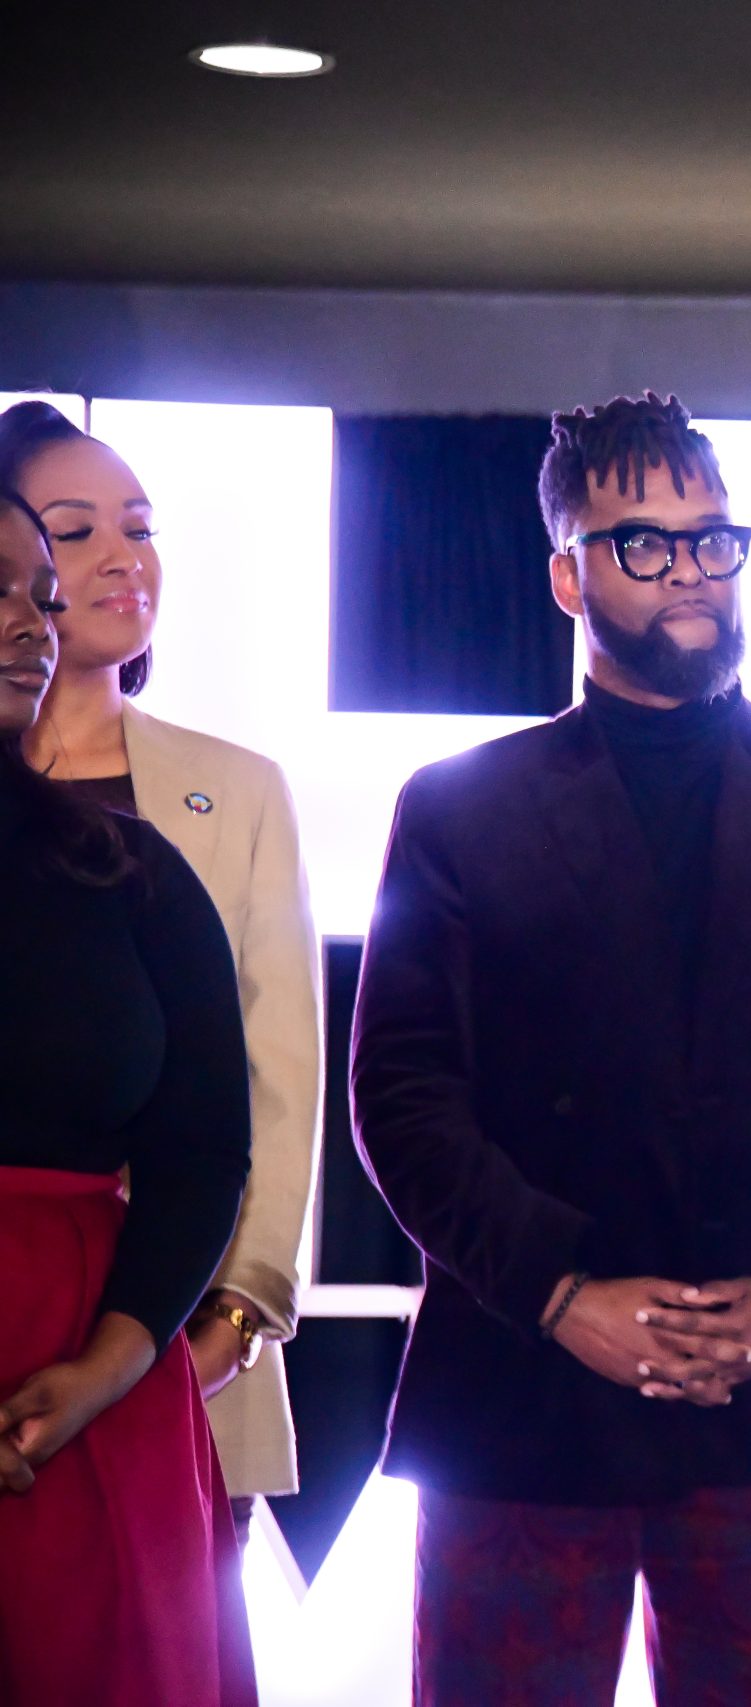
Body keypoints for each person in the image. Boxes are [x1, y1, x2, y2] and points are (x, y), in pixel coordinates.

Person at [350, 392, 751, 1705]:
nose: (688, 570)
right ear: (566, 574)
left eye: (712, 539)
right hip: (523, 1385)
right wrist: (560, 1291)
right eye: (642, 542)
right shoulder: (461, 806)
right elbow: (402, 1096)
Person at [0, 401, 322, 1535]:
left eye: (138, 526)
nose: (120, 556)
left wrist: (229, 1319)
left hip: (186, 1342)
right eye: (73, 530)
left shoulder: (235, 789)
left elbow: (276, 1081)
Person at [0, 490, 257, 1705]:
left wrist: (113, 1363)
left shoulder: (129, 870)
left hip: (96, 1366)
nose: (30, 624)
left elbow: (205, 1148)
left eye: (40, 598)